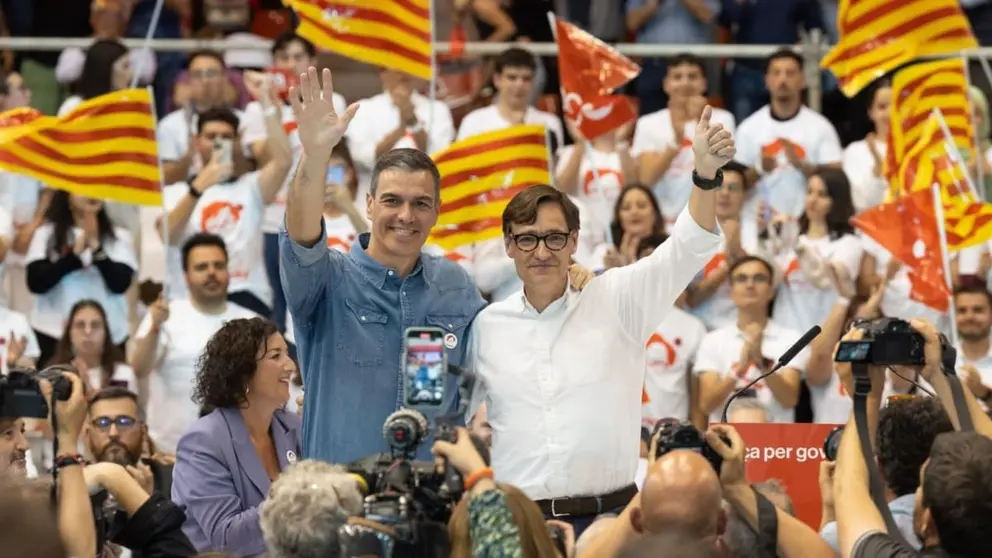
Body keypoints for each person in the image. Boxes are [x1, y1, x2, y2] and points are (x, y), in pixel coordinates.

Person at [466, 106, 731, 532]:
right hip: (520, 527)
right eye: (527, 239)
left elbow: (689, 246)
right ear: (509, 246)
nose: (541, 251)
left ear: (573, 242)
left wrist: (704, 175)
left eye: (554, 238)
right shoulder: (485, 326)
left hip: (611, 523)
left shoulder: (618, 299)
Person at [280, 67, 486, 464]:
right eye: (392, 200)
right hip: (337, 504)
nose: (406, 215)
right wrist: (315, 154)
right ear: (369, 205)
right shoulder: (326, 278)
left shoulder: (456, 286)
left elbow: (502, 354)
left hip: (430, 506)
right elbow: (301, 231)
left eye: (421, 203)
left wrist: (570, 280)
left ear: (437, 212)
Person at [172, 318, 300, 557]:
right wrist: (297, 497)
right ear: (243, 372)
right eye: (276, 356)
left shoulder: (293, 425)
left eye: (287, 354)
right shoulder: (203, 442)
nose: (290, 365)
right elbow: (226, 540)